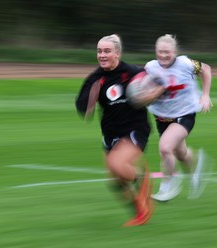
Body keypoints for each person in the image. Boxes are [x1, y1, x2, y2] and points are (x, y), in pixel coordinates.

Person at [75, 34, 154, 226]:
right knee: (116, 182)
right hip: (110, 133)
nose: (102, 55)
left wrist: (150, 92)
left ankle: (141, 177)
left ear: (117, 53)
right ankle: (140, 212)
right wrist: (88, 103)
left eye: (107, 51)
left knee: (117, 164)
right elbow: (82, 106)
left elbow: (157, 84)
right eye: (99, 51)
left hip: (135, 129)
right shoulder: (95, 78)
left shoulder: (135, 72)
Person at [144, 34, 213, 202]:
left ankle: (168, 186)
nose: (164, 55)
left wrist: (205, 95)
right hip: (162, 117)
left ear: (174, 51)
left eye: (167, 52)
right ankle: (196, 167)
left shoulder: (185, 64)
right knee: (180, 153)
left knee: (165, 148)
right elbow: (143, 88)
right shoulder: (150, 67)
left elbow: (206, 69)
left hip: (184, 114)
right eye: (160, 52)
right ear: (156, 52)